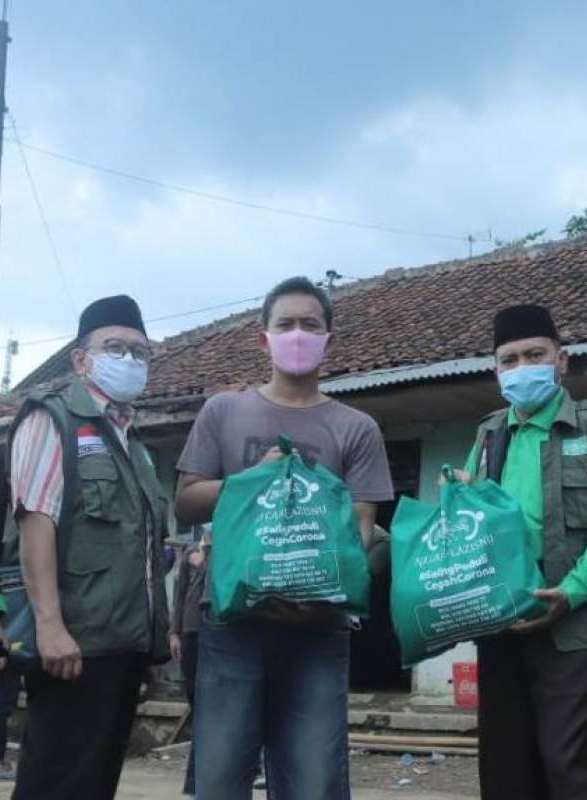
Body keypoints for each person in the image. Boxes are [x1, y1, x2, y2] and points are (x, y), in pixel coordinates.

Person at [174, 276, 393, 800]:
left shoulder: (356, 427)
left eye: (310, 325)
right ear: (263, 338)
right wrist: (252, 481)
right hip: (231, 622)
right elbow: (186, 501)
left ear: (329, 339)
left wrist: (318, 595)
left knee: (315, 782)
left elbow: (362, 529)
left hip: (319, 630)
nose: (298, 334)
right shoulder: (223, 412)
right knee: (221, 779)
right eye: (286, 324)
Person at [458, 304, 587, 800]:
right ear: (496, 370)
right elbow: (470, 523)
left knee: (575, 771)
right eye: (509, 359)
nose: (522, 367)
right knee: (506, 771)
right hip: (502, 627)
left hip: (575, 628)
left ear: (562, 361)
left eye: (535, 354)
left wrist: (571, 591)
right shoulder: (488, 434)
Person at [8, 294, 171, 800]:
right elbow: (36, 521)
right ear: (81, 359)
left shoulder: (134, 444)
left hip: (121, 647)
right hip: (72, 645)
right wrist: (51, 626)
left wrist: (154, 641)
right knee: (55, 783)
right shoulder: (52, 420)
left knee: (93, 785)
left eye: (139, 352)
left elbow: (142, 551)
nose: (128, 360)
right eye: (114, 347)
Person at [169, 529, 210, 798]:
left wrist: (205, 565)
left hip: (216, 633)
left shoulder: (225, 549)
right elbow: (180, 593)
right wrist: (174, 632)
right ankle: (194, 782)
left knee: (212, 708)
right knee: (198, 706)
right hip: (191, 633)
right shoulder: (189, 552)